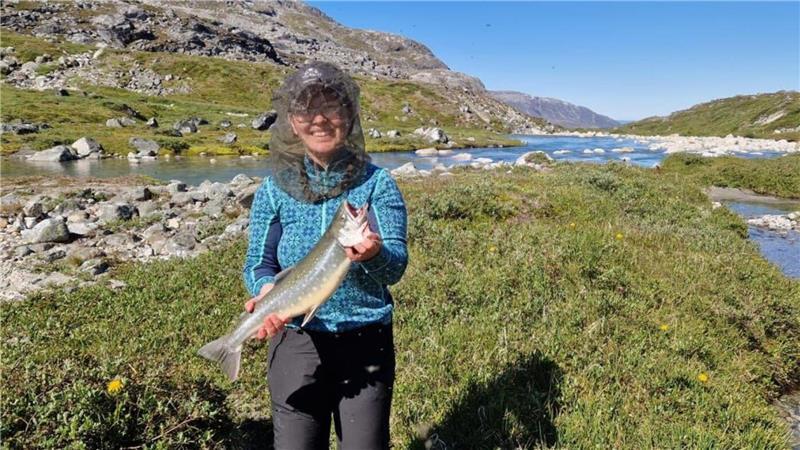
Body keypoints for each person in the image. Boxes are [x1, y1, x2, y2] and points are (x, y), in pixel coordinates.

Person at [241, 61, 408, 450]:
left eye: (331, 108)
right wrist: (265, 289)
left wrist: (374, 254)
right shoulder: (272, 189)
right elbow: (259, 263)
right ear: (293, 123)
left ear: (349, 117)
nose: (319, 119)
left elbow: (396, 267)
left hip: (365, 340)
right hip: (295, 342)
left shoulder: (377, 184)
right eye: (306, 111)